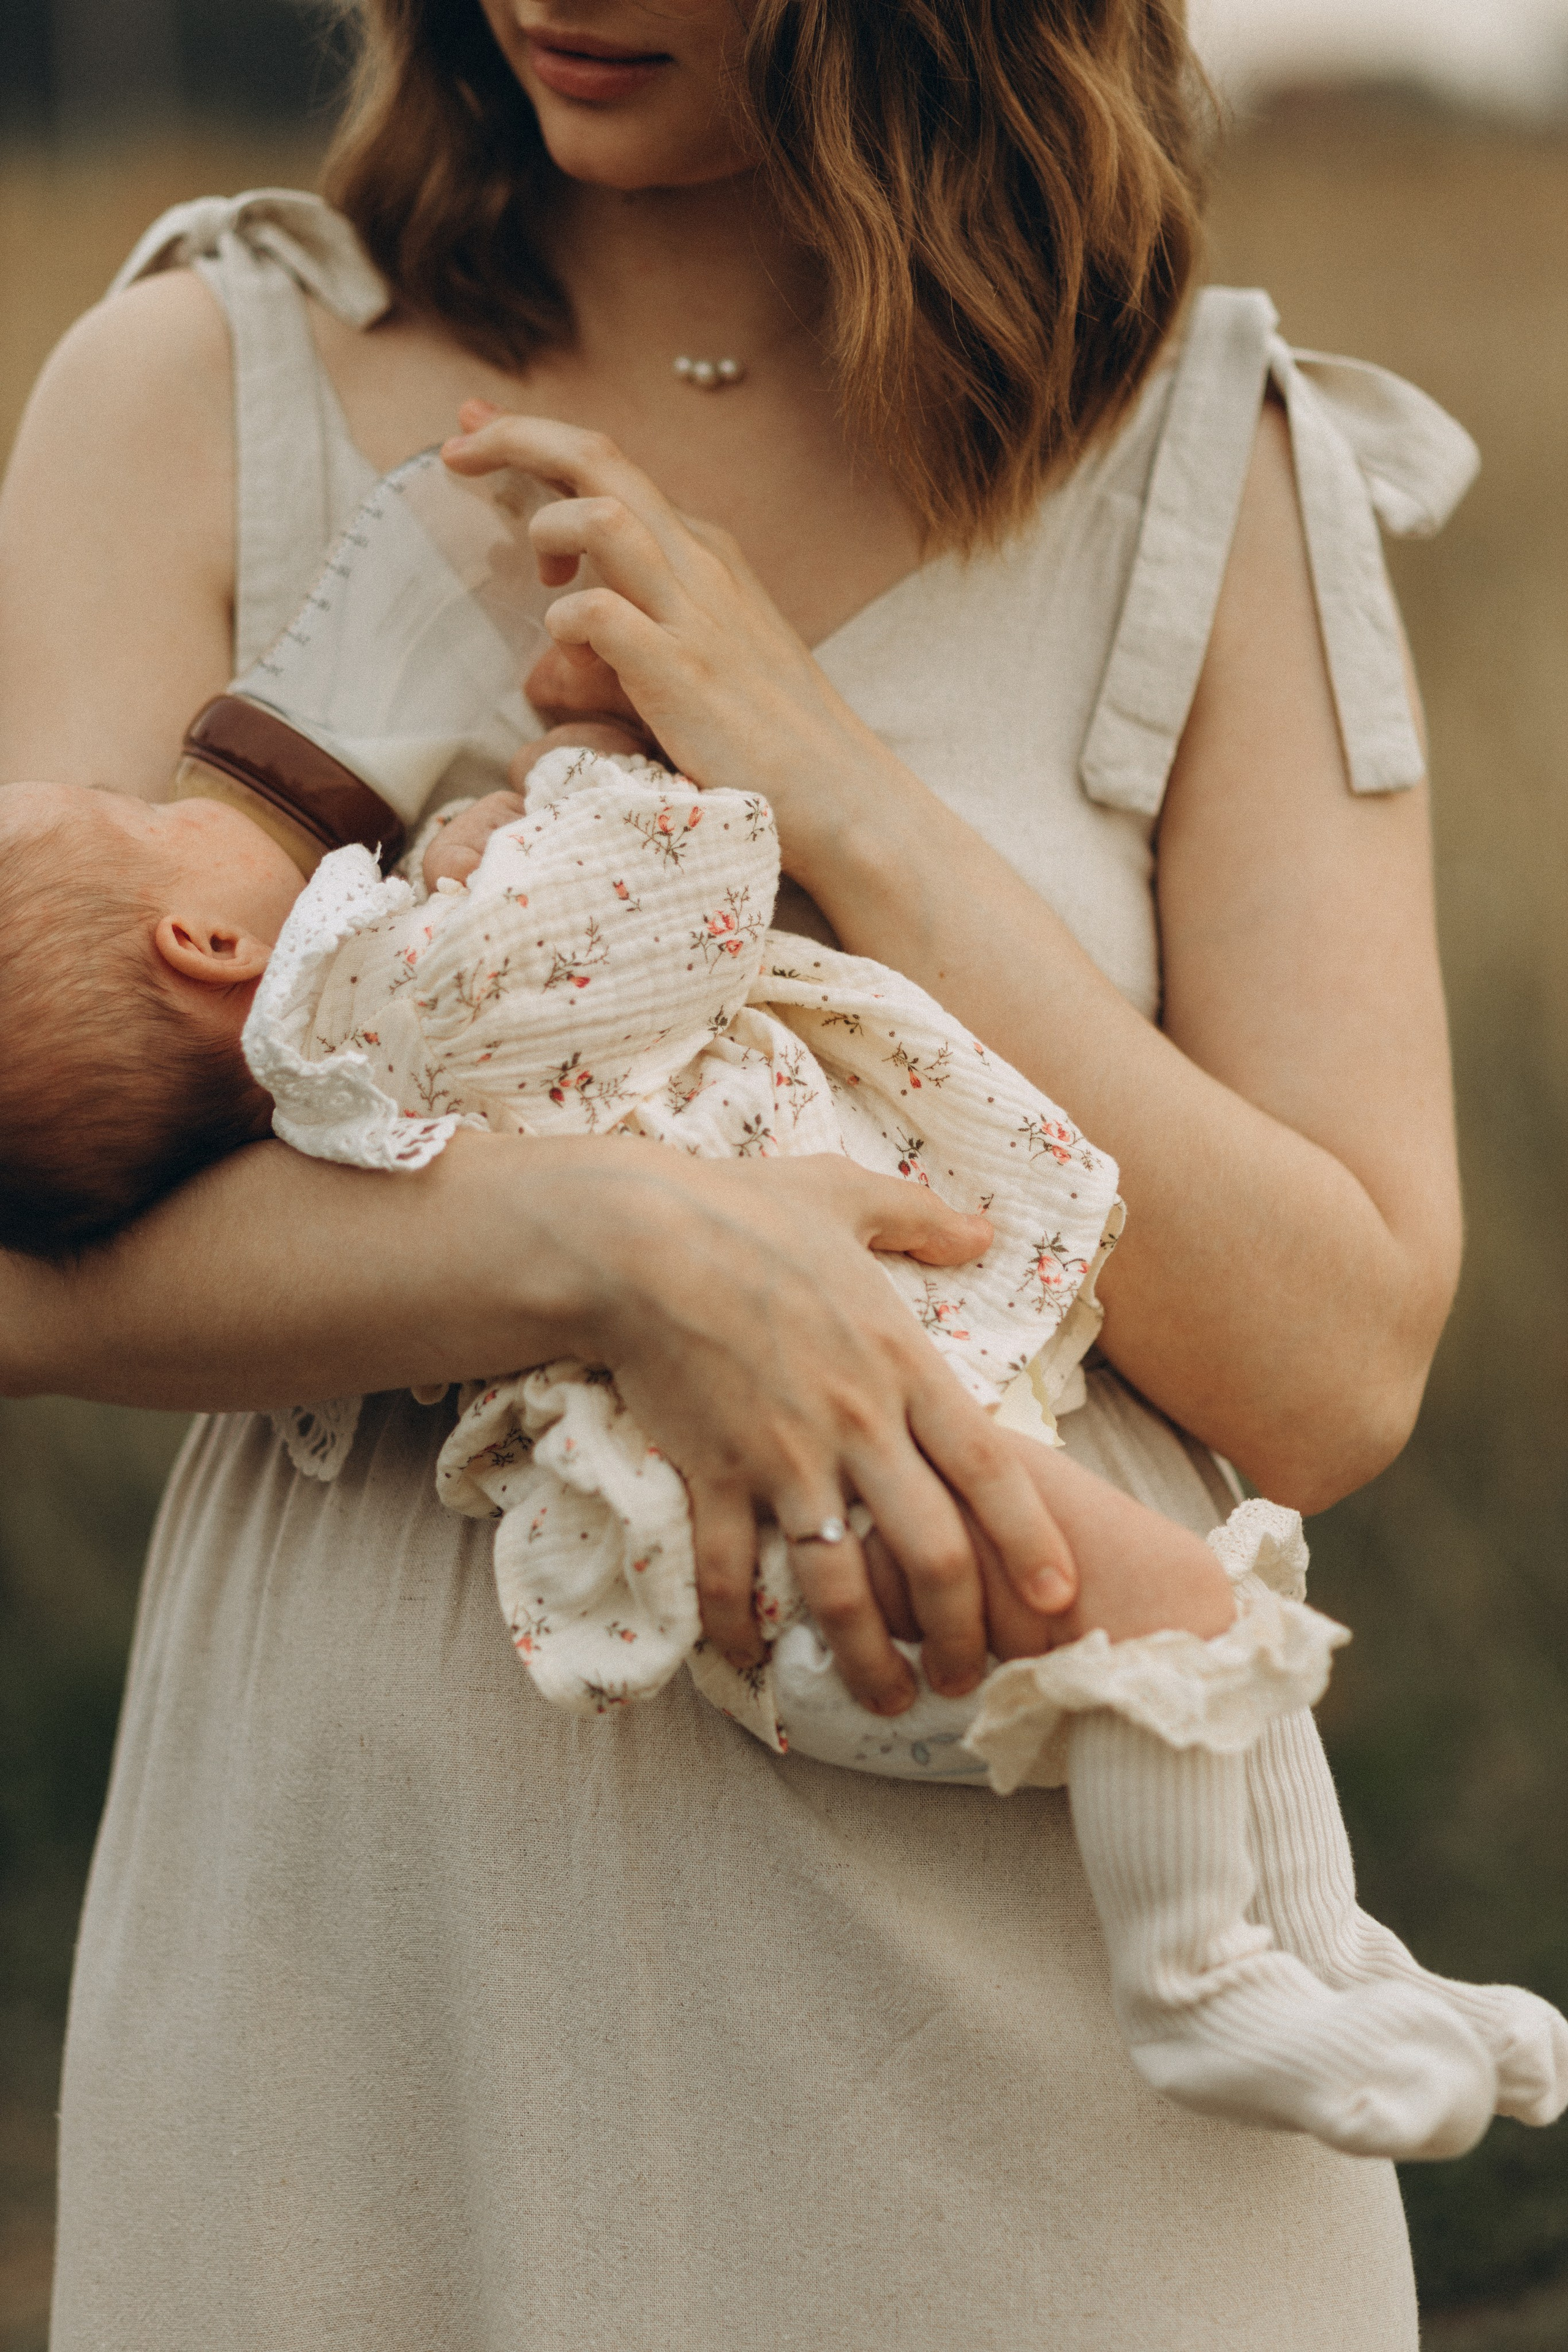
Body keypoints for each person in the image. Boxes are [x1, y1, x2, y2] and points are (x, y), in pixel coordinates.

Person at [0, 1, 1495, 2343]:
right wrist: (616, 1246)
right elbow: (20, 1252)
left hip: (1033, 1966)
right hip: (371, 1974)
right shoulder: (200, 381)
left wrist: (842, 794)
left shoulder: (1210, 468)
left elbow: (1337, 1366)